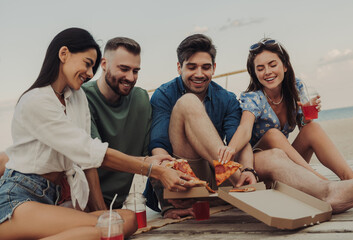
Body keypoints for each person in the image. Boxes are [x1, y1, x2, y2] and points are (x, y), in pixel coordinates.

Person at [0, 28, 195, 240]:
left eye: (93, 66)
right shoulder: (36, 101)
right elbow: (90, 151)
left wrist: (102, 210)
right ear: (63, 54)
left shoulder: (76, 97)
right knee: (103, 230)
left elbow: (87, 162)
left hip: (54, 198)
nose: (91, 73)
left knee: (126, 220)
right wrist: (154, 170)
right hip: (20, 198)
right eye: (86, 63)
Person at [148, 34, 257, 219]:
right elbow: (158, 146)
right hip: (183, 178)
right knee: (188, 102)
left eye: (205, 67)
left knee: (272, 156)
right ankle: (245, 189)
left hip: (217, 177)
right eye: (191, 67)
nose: (199, 74)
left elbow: (236, 140)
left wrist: (248, 170)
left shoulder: (227, 98)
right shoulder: (164, 94)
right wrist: (166, 198)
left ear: (214, 68)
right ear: (179, 67)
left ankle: (243, 185)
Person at [229, 38, 353, 181]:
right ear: (255, 74)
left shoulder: (295, 87)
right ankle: (321, 181)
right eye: (260, 68)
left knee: (312, 128)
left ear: (285, 66)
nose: (267, 72)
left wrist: (306, 119)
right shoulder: (253, 98)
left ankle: (350, 180)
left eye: (272, 65)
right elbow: (244, 128)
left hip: (287, 161)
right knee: (273, 135)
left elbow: (304, 127)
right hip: (258, 165)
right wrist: (230, 149)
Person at [81, 37, 152, 210]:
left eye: (136, 71)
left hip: (123, 205)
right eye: (124, 69)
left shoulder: (141, 99)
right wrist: (102, 214)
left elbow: (149, 158)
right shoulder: (82, 98)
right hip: (85, 203)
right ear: (104, 64)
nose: (131, 77)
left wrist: (169, 206)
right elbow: (94, 158)